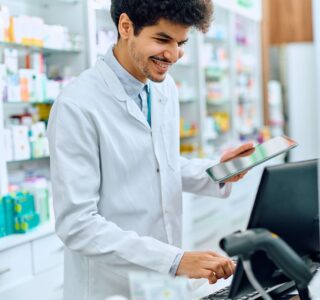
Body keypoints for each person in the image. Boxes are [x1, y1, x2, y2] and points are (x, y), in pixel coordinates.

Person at [47, 1, 254, 299]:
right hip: (110, 286)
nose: (173, 55)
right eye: (162, 40)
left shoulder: (163, 88)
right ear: (126, 26)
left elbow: (160, 164)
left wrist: (218, 171)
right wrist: (175, 260)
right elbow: (76, 224)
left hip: (163, 284)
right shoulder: (77, 106)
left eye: (181, 43)